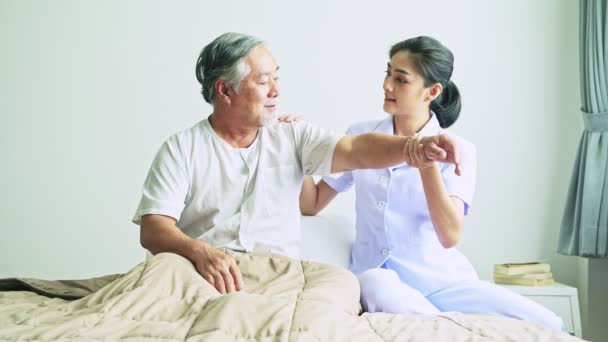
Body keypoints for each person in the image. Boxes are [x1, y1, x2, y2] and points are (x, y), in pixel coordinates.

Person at [132, 32, 461, 295]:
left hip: (279, 277)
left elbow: (357, 148)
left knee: (344, 285)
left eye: (277, 78)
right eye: (264, 82)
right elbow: (154, 228)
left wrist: (416, 148)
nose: (277, 90)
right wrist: (200, 252)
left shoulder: (292, 135)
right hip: (202, 273)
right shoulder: (181, 148)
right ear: (225, 90)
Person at [299, 36, 563, 331]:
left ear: (432, 91)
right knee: (374, 282)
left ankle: (449, 324)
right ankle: (455, 329)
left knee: (549, 322)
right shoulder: (361, 137)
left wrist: (426, 162)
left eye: (401, 79)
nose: (387, 85)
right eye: (388, 74)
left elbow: (449, 235)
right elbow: (312, 203)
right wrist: (297, 146)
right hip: (380, 277)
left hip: (442, 280)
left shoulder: (460, 151)